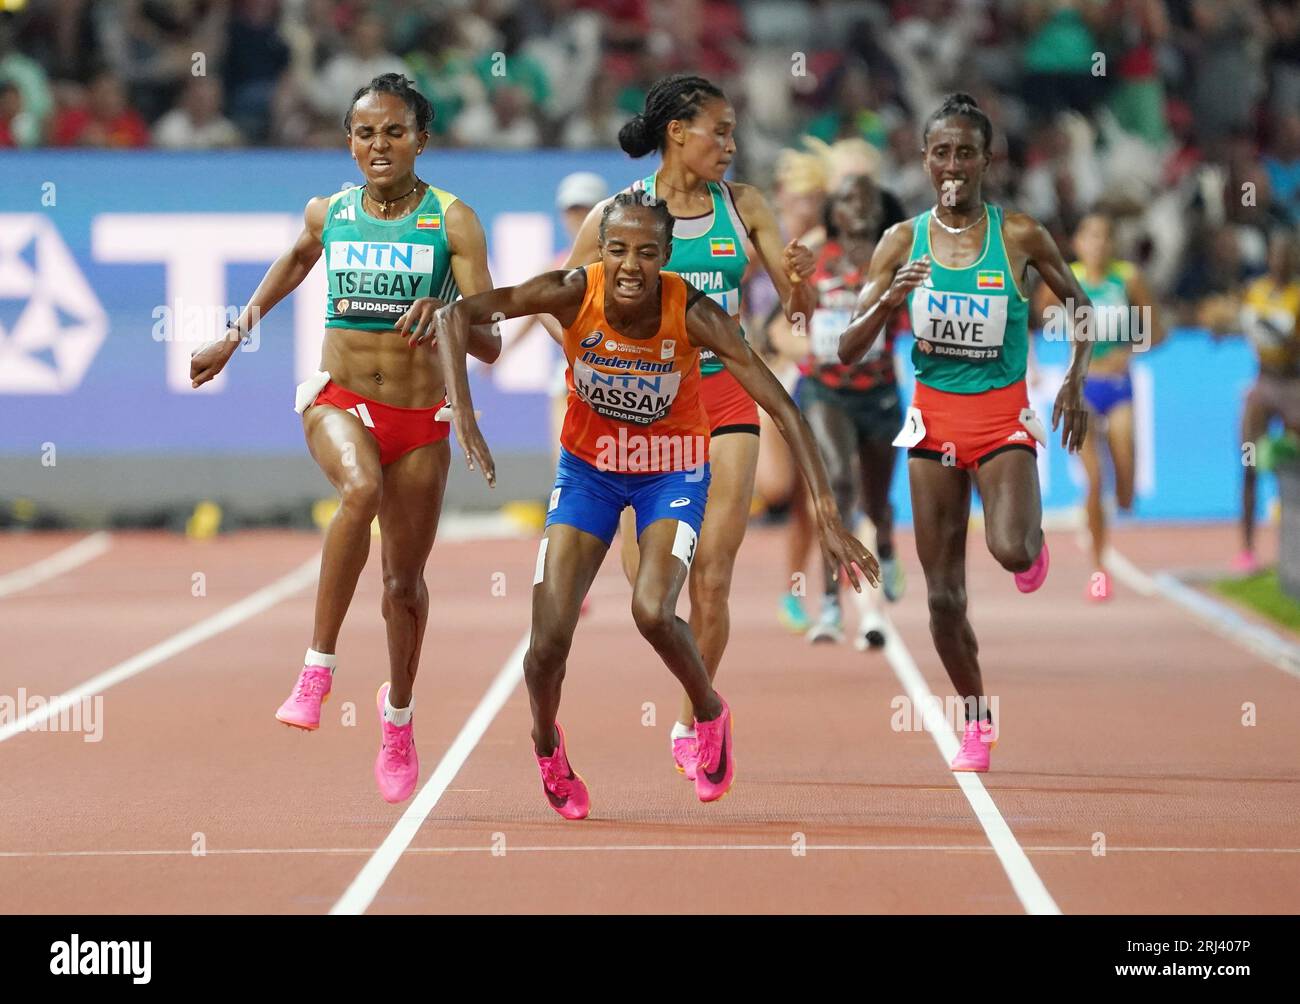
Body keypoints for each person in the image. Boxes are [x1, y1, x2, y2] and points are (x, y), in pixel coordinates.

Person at [433, 193, 877, 817]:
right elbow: (457, 317)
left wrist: (829, 518)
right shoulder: (568, 291)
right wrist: (466, 417)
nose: (630, 265)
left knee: (652, 609)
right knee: (544, 646)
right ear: (601, 252)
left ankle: (710, 713)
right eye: (617, 250)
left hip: (670, 474)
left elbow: (783, 406)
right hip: (588, 474)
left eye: (646, 252)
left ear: (668, 257)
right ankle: (546, 745)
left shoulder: (695, 313)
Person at [189, 73, 499, 804]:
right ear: (348, 141)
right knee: (357, 491)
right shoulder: (330, 212)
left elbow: (489, 338)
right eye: (365, 132)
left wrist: (448, 310)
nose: (378, 145)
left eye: (394, 132)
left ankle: (397, 718)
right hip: (341, 401)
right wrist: (234, 337)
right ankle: (316, 667)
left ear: (422, 139)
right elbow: (297, 260)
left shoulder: (453, 222)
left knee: (402, 585)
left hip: (422, 422)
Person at [563, 74, 819, 779]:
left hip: (726, 401)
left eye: (734, 134)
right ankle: (692, 685)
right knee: (653, 587)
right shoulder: (619, 215)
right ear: (678, 132)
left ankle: (695, 717)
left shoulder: (745, 207)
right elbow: (567, 301)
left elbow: (797, 308)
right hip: (642, 411)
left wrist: (801, 279)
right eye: (721, 132)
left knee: (713, 574)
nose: (731, 147)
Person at [839, 93, 1092, 773]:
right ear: (924, 160)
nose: (952, 164)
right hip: (932, 421)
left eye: (965, 152)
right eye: (940, 151)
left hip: (1002, 416)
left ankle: (1030, 549)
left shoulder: (1021, 237)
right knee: (944, 595)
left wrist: (1073, 381)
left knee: (1010, 551)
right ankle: (976, 721)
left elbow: (1083, 309)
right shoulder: (901, 242)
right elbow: (848, 349)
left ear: (987, 160)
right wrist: (891, 299)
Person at [783, 173, 907, 648]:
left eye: (867, 199)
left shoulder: (893, 259)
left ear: (880, 210)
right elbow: (795, 316)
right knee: (838, 487)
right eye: (847, 200)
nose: (857, 207)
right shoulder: (819, 259)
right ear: (833, 212)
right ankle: (831, 602)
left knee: (875, 502)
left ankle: (889, 546)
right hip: (825, 389)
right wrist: (797, 280)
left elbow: (919, 321)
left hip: (878, 395)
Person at [1037, 212, 1164, 598]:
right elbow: (1042, 316)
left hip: (1119, 385)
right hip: (1082, 389)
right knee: (1095, 481)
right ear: (1078, 243)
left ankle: (1123, 488)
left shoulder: (1127, 279)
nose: (1098, 244)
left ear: (1112, 245)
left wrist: (1129, 349)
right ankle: (1098, 570)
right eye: (1090, 237)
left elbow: (1157, 330)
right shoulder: (1065, 276)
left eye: (1105, 237)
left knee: (1124, 491)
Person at [1233, 229, 1300, 572]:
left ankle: (1292, 547)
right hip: (1262, 382)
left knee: (1294, 464)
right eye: (1276, 255)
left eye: (1288, 256)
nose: (1281, 261)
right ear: (1269, 258)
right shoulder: (1254, 292)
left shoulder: (1298, 295)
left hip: (1293, 385)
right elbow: (1235, 324)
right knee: (1248, 461)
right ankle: (1247, 549)